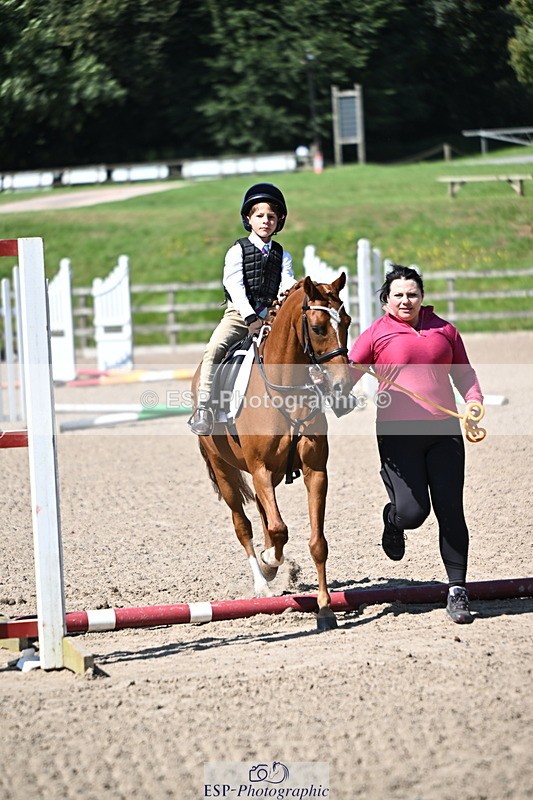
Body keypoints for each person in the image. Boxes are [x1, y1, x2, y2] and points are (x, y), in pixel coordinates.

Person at [348, 264, 484, 624]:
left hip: (445, 434)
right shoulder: (375, 334)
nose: (406, 300)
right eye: (398, 295)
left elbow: (464, 373)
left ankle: (457, 590)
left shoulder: (445, 330)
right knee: (413, 513)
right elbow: (346, 374)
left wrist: (474, 401)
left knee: (450, 509)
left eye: (412, 294)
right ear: (385, 301)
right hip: (398, 436)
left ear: (422, 297)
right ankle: (392, 520)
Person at [189, 183, 296, 435]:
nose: (266, 221)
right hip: (239, 316)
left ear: (279, 220)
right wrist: (250, 317)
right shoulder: (237, 251)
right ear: (248, 219)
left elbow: (287, 282)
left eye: (271, 217)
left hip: (270, 316)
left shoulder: (283, 255)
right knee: (214, 348)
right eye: (259, 216)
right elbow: (234, 286)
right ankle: (204, 406)